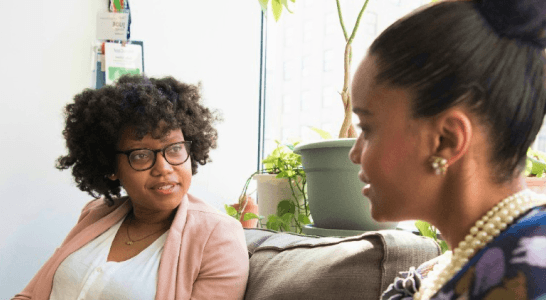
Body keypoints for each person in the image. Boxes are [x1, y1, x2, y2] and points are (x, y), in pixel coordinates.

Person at [348, 0, 546, 299]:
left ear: (446, 140)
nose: (354, 154)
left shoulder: (526, 275)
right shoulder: (446, 274)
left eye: (366, 128)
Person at [12, 75, 249, 300]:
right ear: (111, 167)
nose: (164, 168)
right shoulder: (96, 213)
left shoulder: (219, 237)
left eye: (175, 149)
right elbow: (31, 295)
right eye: (141, 155)